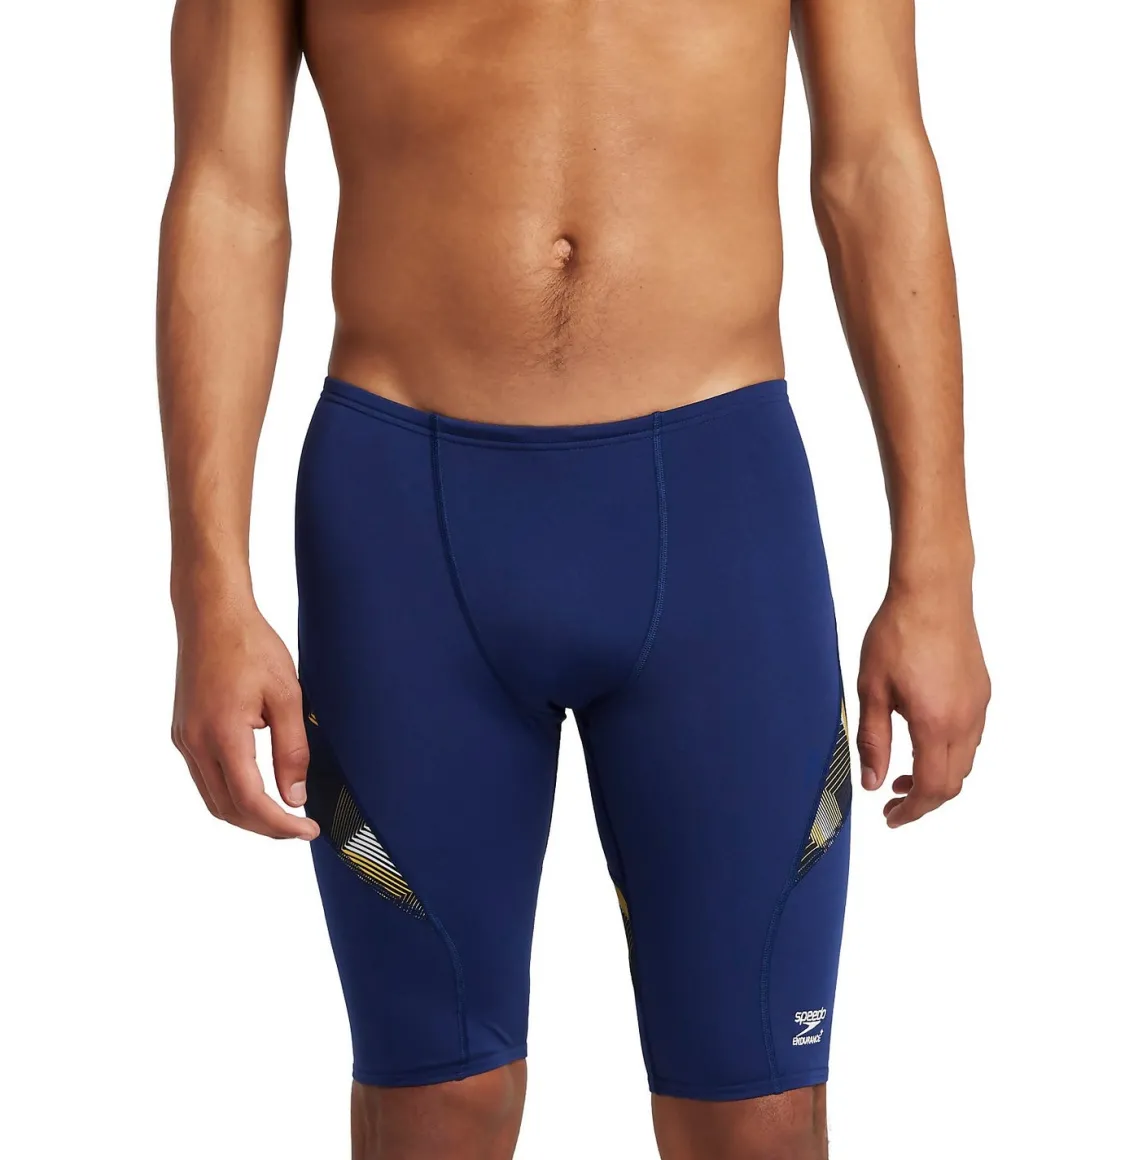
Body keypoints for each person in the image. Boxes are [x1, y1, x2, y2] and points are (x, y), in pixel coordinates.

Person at [157, 0, 990, 1156]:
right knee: (436, 1100)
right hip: (405, 524)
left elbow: (873, 160)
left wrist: (935, 568)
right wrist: (207, 590)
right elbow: (228, 192)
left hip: (719, 512)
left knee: (757, 1110)